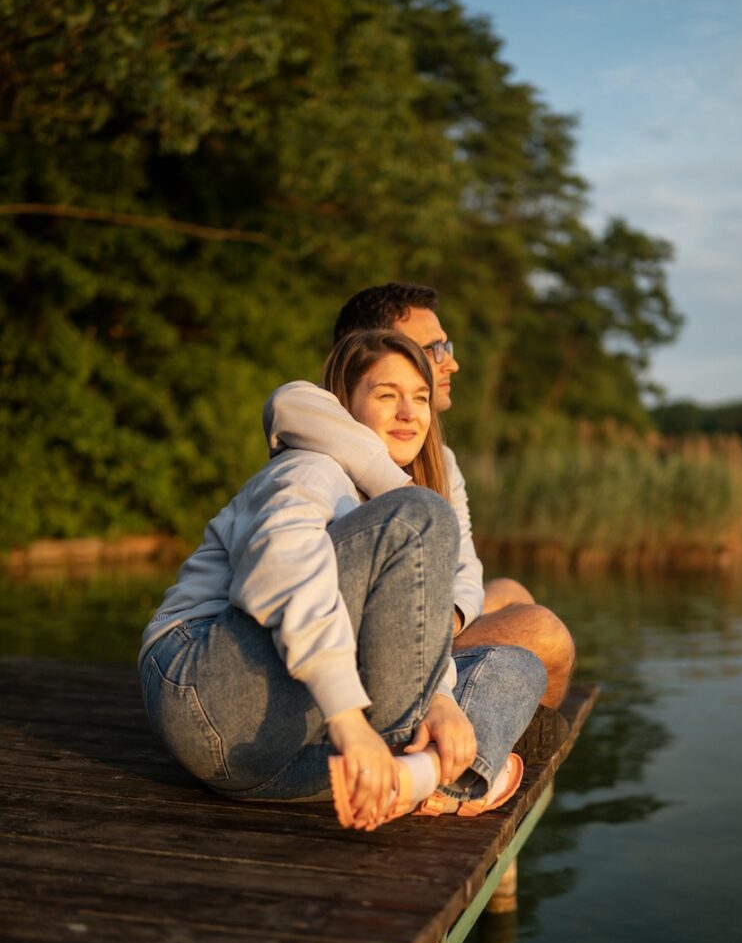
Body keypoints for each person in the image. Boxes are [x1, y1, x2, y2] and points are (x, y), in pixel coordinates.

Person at [140, 329, 546, 831]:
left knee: (517, 665)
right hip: (203, 690)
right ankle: (431, 766)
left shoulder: (393, 502)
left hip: (269, 757)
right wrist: (349, 723)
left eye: (420, 398)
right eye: (386, 395)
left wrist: (437, 698)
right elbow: (282, 576)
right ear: (343, 406)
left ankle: (409, 777)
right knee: (420, 514)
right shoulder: (311, 468)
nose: (409, 412)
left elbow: (425, 621)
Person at [266, 282, 575, 708]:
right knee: (544, 634)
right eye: (435, 349)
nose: (453, 363)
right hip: (354, 634)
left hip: (419, 617)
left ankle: (498, 731)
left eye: (446, 346)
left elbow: (464, 565)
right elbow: (286, 402)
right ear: (380, 352)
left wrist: (446, 617)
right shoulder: (320, 433)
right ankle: (484, 746)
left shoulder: (440, 460)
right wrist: (404, 491)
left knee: (511, 592)